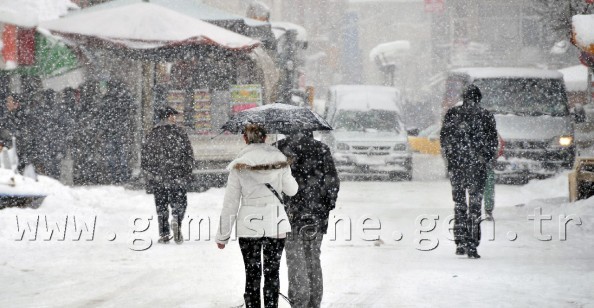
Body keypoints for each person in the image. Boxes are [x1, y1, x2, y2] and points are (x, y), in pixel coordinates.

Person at [216, 124, 298, 308]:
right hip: (275, 223)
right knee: (272, 272)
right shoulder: (280, 159)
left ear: (245, 138)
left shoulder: (239, 163)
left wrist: (222, 235)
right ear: (265, 137)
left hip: (249, 225)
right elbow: (292, 191)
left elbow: (231, 203)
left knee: (252, 273)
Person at [276, 131, 340, 308]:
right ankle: (313, 301)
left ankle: (299, 301)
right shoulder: (322, 149)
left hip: (290, 214)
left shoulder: (280, 149)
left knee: (295, 259)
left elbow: (274, 182)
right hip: (316, 216)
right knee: (313, 257)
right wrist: (326, 206)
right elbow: (332, 182)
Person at [440, 84, 498, 259]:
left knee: (459, 205)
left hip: (457, 166)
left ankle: (460, 242)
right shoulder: (486, 116)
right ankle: (472, 244)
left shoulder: (453, 114)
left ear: (463, 97)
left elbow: (444, 138)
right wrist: (483, 158)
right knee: (474, 206)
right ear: (479, 98)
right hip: (477, 167)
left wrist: (452, 156)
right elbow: (492, 142)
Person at [141, 107, 194, 244]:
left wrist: (151, 174)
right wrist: (186, 172)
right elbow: (188, 154)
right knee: (180, 202)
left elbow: (145, 157)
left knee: (161, 206)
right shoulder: (180, 133)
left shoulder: (152, 134)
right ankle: (176, 219)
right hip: (177, 175)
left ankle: (164, 234)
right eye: (173, 115)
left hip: (158, 177)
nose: (175, 118)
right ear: (168, 116)